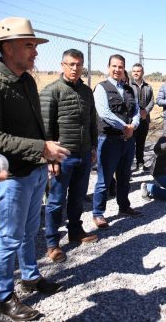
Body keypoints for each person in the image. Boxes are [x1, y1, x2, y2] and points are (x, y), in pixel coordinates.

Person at [0, 17, 70, 321]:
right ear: (8, 47)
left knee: (29, 231)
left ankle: (31, 277)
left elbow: (36, 126)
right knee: (9, 237)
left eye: (35, 45)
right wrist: (41, 149)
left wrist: (45, 156)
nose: (35, 51)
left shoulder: (25, 79)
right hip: (11, 176)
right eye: (29, 45)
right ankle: (5, 297)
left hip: (35, 170)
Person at [40, 49, 98, 264]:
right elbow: (45, 129)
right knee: (55, 200)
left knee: (77, 196)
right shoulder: (51, 90)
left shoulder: (86, 91)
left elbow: (92, 121)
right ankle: (52, 243)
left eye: (79, 64)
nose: (75, 68)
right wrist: (50, 157)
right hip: (62, 156)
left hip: (83, 154)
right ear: (62, 65)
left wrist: (93, 147)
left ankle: (75, 230)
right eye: (71, 64)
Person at [92, 54, 141, 229]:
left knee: (124, 177)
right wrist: (124, 127)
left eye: (120, 67)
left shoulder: (129, 90)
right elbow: (104, 113)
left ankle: (124, 206)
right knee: (104, 180)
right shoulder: (101, 88)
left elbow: (136, 111)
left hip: (127, 141)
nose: (117, 70)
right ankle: (98, 213)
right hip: (109, 140)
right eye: (114, 66)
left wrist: (133, 125)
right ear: (108, 67)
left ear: (124, 69)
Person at [130, 63, 154, 170]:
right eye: (134, 71)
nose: (136, 73)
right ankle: (129, 165)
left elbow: (152, 101)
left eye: (138, 71)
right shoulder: (128, 85)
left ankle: (140, 163)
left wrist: (146, 111)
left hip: (144, 120)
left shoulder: (148, 87)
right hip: (131, 121)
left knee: (141, 142)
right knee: (130, 144)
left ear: (143, 72)